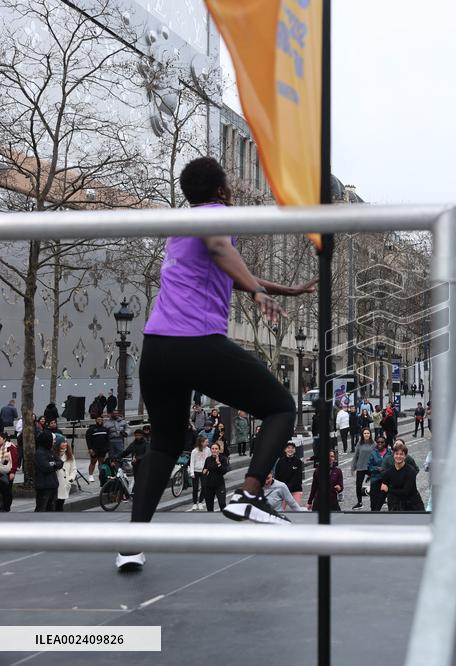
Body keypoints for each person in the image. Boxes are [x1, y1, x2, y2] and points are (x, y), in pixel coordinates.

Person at [116, 157, 315, 569]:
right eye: (229, 184)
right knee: (281, 407)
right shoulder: (216, 217)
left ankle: (130, 546)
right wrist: (259, 294)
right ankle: (250, 493)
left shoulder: (181, 228)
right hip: (195, 343)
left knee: (165, 445)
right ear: (221, 189)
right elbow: (221, 249)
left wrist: (282, 289)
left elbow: (227, 268)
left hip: (156, 349)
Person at [381, 442, 424, 511]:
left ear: (405, 456)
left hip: (412, 505)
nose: (398, 456)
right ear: (393, 455)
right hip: (395, 505)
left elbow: (406, 492)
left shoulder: (410, 471)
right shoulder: (389, 472)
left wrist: (389, 490)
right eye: (396, 454)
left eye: (401, 454)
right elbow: (383, 489)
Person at [33, 431, 62, 512]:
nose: (54, 441)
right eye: (52, 439)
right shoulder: (39, 453)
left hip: (53, 484)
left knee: (51, 508)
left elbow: (60, 463)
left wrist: (53, 463)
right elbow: (46, 467)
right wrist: (54, 464)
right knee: (42, 508)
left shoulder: (50, 451)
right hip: (43, 486)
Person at [200, 442, 229, 512]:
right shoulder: (208, 459)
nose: (214, 450)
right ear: (211, 450)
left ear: (219, 450)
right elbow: (204, 470)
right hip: (209, 485)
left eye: (216, 449)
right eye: (212, 449)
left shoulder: (223, 459)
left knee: (222, 503)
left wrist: (218, 463)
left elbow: (224, 471)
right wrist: (204, 471)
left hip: (219, 484)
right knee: (209, 506)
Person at [351, 428, 375, 509]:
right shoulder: (359, 444)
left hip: (370, 467)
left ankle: (377, 500)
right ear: (362, 435)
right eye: (365, 433)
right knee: (358, 485)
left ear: (370, 434)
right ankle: (359, 502)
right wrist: (353, 468)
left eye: (368, 433)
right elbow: (355, 456)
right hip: (360, 467)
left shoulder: (374, 444)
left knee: (376, 484)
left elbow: (377, 455)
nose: (366, 435)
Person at [186, 435, 211, 511]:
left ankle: (200, 502)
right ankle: (194, 503)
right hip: (196, 471)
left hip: (204, 471)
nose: (207, 443)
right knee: (195, 488)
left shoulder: (208, 450)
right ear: (201, 442)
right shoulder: (194, 451)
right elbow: (192, 462)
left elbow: (209, 461)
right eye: (206, 442)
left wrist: (208, 470)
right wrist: (192, 472)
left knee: (204, 486)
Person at [367, 436, 392, 511]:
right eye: (378, 442)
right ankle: (374, 513)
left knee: (388, 499)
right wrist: (377, 468)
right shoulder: (373, 453)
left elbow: (393, 465)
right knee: (374, 501)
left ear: (385, 443)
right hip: (375, 479)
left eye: (382, 442)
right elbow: (369, 467)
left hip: (387, 480)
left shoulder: (390, 452)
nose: (380, 443)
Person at [84, 415, 110, 483]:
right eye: (98, 419)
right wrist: (90, 449)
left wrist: (107, 448)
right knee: (93, 462)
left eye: (101, 420)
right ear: (95, 420)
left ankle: (101, 475)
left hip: (103, 449)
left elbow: (107, 439)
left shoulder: (105, 429)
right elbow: (88, 440)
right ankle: (90, 476)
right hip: (94, 449)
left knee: (101, 463)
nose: (100, 421)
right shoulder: (91, 429)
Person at [55, 439, 78, 511]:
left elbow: (74, 469)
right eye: (61, 448)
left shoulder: (70, 456)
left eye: (65, 443)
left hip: (65, 484)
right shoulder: (54, 455)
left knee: (60, 505)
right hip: (55, 484)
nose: (63, 449)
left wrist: (70, 479)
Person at [0, 431, 18, 511]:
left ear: (4, 439)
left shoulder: (10, 447)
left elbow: (14, 460)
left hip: (8, 472)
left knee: (7, 491)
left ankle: (6, 507)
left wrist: (12, 472)